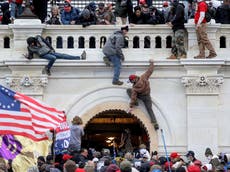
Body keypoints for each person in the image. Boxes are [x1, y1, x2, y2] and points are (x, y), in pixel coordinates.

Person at [127, 59, 159, 130]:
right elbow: (150, 71)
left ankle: (136, 103)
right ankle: (155, 123)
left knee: (128, 90)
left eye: (131, 81)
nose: (131, 82)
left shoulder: (134, 88)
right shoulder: (143, 77)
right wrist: (152, 63)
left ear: (134, 80)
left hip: (141, 97)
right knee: (149, 109)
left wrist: (131, 105)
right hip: (147, 96)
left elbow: (133, 97)